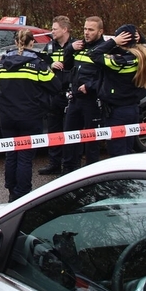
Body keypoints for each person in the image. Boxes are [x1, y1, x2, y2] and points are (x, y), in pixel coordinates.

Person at [0, 29, 59, 202]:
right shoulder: (38, 65)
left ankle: (11, 191)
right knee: (25, 157)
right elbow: (55, 86)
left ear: (15, 43)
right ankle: (22, 194)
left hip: (7, 117)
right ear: (32, 43)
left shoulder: (2, 64)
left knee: (11, 155)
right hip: (30, 116)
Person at [86, 24, 146, 157]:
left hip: (117, 112)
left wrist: (113, 41)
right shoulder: (144, 56)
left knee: (117, 153)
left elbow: (93, 54)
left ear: (122, 40)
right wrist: (141, 39)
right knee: (127, 151)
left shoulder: (120, 61)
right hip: (133, 109)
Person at [61, 16, 107, 173]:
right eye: (85, 29)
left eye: (91, 30)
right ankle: (68, 171)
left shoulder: (104, 49)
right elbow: (67, 66)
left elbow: (107, 76)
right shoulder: (79, 46)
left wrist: (90, 86)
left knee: (91, 140)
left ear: (100, 31)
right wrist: (69, 49)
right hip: (75, 99)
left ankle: (91, 173)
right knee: (70, 136)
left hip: (92, 101)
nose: (86, 32)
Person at [38, 16, 73, 176]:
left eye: (54, 29)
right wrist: (50, 65)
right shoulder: (50, 46)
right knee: (54, 131)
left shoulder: (75, 45)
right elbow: (41, 64)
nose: (52, 31)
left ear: (64, 29)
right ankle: (54, 164)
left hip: (70, 94)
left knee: (69, 131)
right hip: (54, 95)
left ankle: (69, 165)